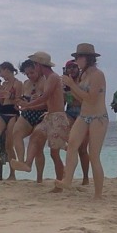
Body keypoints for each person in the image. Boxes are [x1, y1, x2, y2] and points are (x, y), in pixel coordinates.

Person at [55, 43, 108, 199]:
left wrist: (72, 84)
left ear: (87, 58)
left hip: (98, 118)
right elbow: (80, 98)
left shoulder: (97, 75)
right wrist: (69, 88)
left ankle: (98, 194)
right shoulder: (83, 75)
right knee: (72, 144)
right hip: (84, 116)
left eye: (78, 57)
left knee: (94, 155)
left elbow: (91, 99)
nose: (75, 60)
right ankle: (68, 180)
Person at [11, 51, 68, 181]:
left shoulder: (53, 77)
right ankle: (27, 164)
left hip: (57, 118)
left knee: (54, 154)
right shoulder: (49, 78)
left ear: (38, 65)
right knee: (35, 137)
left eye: (35, 66)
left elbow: (45, 97)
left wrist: (27, 105)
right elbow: (47, 100)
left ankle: (61, 181)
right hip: (49, 116)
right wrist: (27, 105)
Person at [11, 59, 46, 182]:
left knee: (38, 148)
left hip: (42, 115)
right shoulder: (26, 84)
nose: (30, 76)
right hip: (27, 114)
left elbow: (49, 103)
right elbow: (20, 100)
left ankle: (39, 178)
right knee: (16, 133)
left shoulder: (46, 81)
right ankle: (21, 161)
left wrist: (32, 102)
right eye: (27, 74)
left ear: (37, 69)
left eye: (32, 72)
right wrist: (19, 103)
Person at [63, 60, 90, 185]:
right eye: (70, 68)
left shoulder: (83, 82)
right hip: (69, 112)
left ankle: (85, 177)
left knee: (83, 149)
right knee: (71, 146)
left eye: (74, 67)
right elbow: (62, 103)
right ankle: (67, 176)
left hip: (83, 113)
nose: (72, 70)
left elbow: (87, 99)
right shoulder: (65, 84)